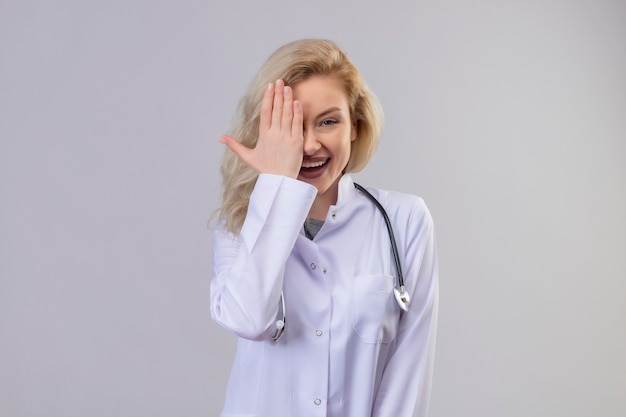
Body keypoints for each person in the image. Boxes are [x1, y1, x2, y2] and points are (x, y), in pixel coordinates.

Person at [211, 39, 439, 417]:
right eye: (291, 127)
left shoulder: (406, 221)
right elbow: (249, 319)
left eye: (328, 121)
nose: (309, 144)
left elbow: (407, 382)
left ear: (355, 126)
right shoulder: (237, 223)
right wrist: (275, 184)